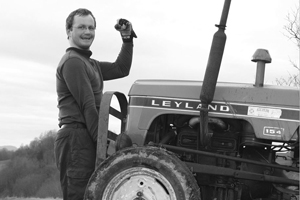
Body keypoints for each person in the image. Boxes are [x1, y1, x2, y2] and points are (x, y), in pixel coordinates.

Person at [54, 8, 136, 200]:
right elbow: (88, 106)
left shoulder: (90, 64)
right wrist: (105, 146)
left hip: (86, 135)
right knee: (80, 195)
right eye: (81, 27)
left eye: (91, 27)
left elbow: (121, 69)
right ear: (68, 31)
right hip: (76, 139)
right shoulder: (73, 62)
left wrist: (127, 39)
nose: (87, 32)